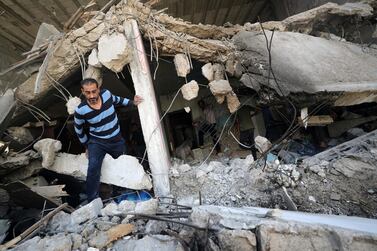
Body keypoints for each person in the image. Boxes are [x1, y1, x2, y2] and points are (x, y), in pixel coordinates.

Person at [74, 78, 143, 202]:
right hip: (97, 142)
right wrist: (86, 146)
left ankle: (119, 194)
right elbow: (78, 129)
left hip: (116, 139)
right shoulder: (80, 110)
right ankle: (93, 200)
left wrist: (133, 102)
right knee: (93, 168)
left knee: (122, 164)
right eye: (88, 92)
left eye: (94, 91)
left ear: (99, 89)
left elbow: (118, 100)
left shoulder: (106, 94)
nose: (92, 95)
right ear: (83, 92)